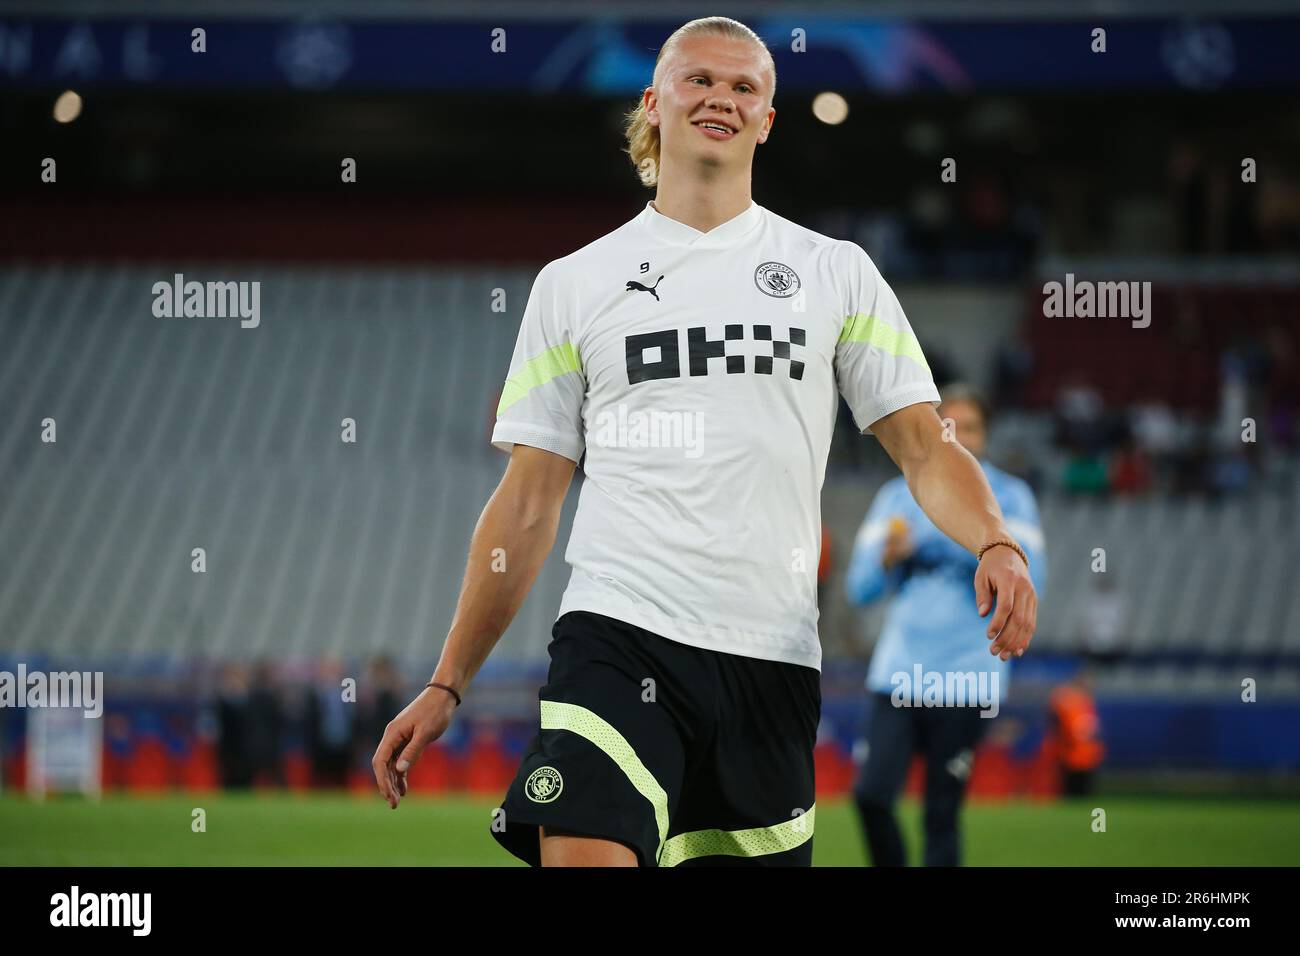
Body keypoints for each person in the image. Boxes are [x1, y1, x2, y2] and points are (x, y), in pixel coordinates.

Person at [372, 17, 1038, 867]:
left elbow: (923, 445)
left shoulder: (836, 272)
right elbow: (529, 500)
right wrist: (447, 680)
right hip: (617, 630)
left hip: (772, 658)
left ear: (767, 120)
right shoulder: (571, 285)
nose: (721, 98)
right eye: (699, 81)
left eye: (744, 87)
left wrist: (996, 540)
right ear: (654, 103)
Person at [846, 385, 1046, 866]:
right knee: (870, 796)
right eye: (947, 425)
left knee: (941, 812)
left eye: (971, 427)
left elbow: (1031, 578)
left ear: (986, 435)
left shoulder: (1011, 499)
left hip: (968, 676)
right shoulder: (897, 494)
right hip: (898, 673)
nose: (958, 436)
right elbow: (859, 588)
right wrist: (887, 560)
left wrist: (968, 547)